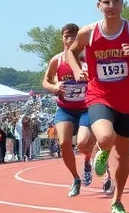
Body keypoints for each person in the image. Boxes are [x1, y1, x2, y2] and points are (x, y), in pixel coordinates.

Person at [62, 0, 129, 213]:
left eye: (116, 2)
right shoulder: (89, 32)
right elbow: (70, 53)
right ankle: (101, 152)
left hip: (126, 100)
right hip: (99, 95)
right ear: (99, 6)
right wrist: (76, 70)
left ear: (122, 4)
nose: (111, 7)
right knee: (105, 137)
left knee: (123, 157)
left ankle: (117, 201)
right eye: (106, 2)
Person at [42, 23, 113, 197]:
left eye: (74, 36)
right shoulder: (56, 61)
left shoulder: (88, 58)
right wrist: (54, 87)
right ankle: (75, 178)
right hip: (65, 109)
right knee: (64, 143)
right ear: (62, 38)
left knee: (82, 142)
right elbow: (45, 81)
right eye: (67, 36)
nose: (70, 39)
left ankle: (88, 161)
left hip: (86, 108)